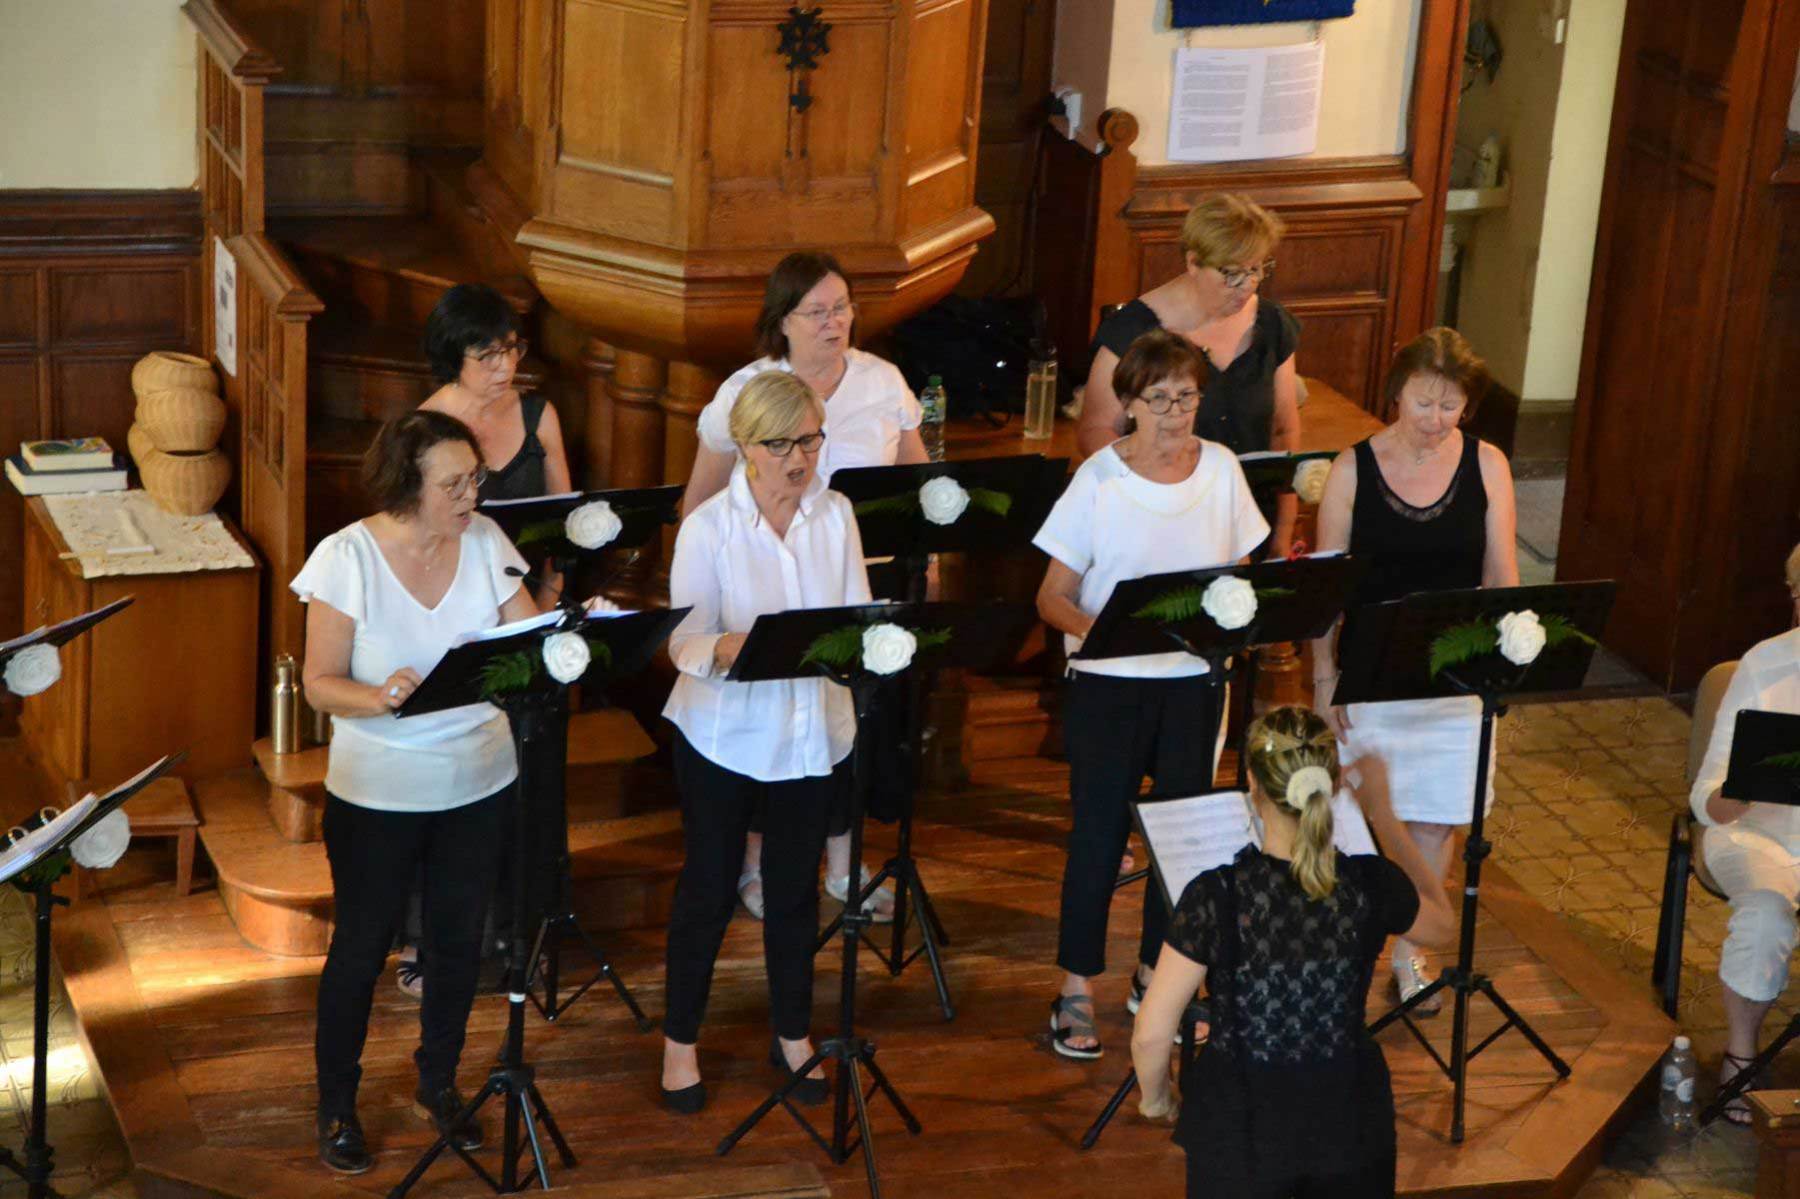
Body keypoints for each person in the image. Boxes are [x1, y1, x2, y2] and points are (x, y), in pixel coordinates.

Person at [293, 412, 540, 1175]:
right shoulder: (347, 556)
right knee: (362, 947)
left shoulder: (487, 542)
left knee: (459, 943)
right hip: (379, 790)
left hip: (479, 780)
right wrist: (378, 696)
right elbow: (319, 682)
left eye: (476, 480)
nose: (472, 496)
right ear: (407, 486)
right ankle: (338, 1102)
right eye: (454, 484)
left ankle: (439, 1081)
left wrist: (560, 635)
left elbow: (531, 641)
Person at [1033, 329, 1270, 1058]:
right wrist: (1106, 636)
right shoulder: (1099, 479)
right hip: (1109, 689)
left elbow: (1239, 577)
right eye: (1159, 398)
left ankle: (1157, 977)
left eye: (1187, 396)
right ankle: (1076, 987)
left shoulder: (1221, 469)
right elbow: (1052, 596)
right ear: (1129, 404)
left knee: (1182, 843)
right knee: (1098, 836)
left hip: (1192, 686)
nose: (1175, 413)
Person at [683, 251, 927, 925]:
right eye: (816, 311)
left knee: (850, 729)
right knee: (774, 731)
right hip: (767, 586)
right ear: (782, 321)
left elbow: (920, 487)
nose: (832, 322)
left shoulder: (883, 380)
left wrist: (927, 560)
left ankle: (846, 866)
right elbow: (700, 500)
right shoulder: (745, 390)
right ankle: (759, 866)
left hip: (864, 576)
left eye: (841, 307)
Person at [1130, 706, 1456, 1199]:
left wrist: (1157, 1102)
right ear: (1333, 785)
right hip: (1349, 1121)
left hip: (1241, 1130)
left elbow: (1152, 1033)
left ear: (1253, 785)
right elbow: (1443, 925)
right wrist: (1385, 818)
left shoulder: (1217, 896)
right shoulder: (1371, 884)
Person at [659, 371, 870, 1113]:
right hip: (724, 736)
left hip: (811, 732)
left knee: (793, 892)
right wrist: (730, 645)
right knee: (709, 890)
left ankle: (793, 1033)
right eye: (780, 444)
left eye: (810, 440)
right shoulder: (709, 527)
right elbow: (682, 643)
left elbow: (855, 614)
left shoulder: (836, 515)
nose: (798, 458)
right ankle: (679, 1043)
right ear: (745, 446)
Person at [1308, 327, 1519, 1014]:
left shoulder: (1488, 464)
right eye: (1424, 403)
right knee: (1363, 820)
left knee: (1432, 824)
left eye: (1450, 406)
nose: (1435, 419)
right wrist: (1323, 679)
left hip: (1454, 679)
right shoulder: (1351, 469)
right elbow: (1327, 589)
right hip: (1373, 675)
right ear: (1396, 393)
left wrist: (1504, 662)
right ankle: (1349, 951)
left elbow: (1501, 574)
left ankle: (1411, 951)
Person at [398, 282, 574, 1002]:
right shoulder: (426, 427)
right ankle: (425, 938)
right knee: (449, 787)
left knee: (532, 784)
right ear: (454, 356)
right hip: (454, 622)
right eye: (488, 355)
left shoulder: (538, 414)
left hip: (529, 615)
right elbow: (410, 536)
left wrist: (550, 601)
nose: (506, 368)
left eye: (512, 350)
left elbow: (567, 519)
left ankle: (522, 934)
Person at [1080, 192, 1302, 557]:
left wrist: (1284, 528)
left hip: (1252, 522)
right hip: (1161, 523)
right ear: (1193, 263)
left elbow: (1283, 429)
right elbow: (1096, 431)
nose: (1247, 286)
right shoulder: (1132, 331)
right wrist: (1151, 497)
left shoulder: (1273, 325)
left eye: (1256, 269)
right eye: (1232, 273)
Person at [1689, 541, 1800, 1124]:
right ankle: (1742, 1053)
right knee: (1765, 913)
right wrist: (1743, 789)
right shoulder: (1765, 665)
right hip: (1757, 834)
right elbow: (1707, 796)